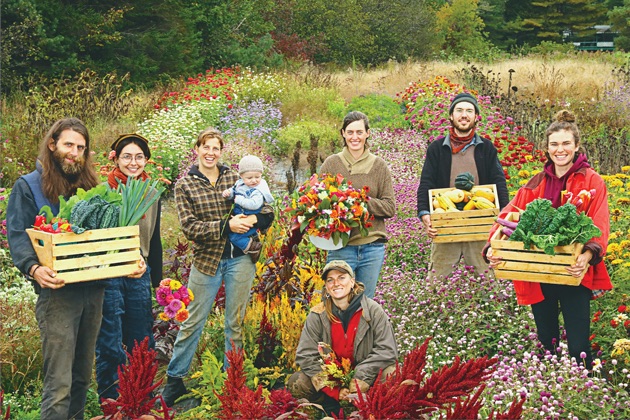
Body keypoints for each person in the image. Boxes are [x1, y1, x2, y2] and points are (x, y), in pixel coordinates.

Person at [6, 118, 146, 419]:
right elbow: (18, 235)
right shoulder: (29, 186)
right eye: (69, 145)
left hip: (94, 290)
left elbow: (108, 237)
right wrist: (33, 268)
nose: (75, 152)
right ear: (52, 144)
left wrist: (130, 259)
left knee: (82, 377)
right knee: (59, 384)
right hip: (58, 296)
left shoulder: (91, 187)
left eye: (81, 147)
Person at [486, 110, 612, 369]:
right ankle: (551, 385)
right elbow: (508, 215)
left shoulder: (592, 181)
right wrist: (492, 247)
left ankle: (584, 384)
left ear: (577, 146)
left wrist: (587, 254)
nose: (560, 149)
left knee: (579, 345)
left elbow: (599, 223)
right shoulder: (536, 182)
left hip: (572, 269)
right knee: (547, 341)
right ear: (547, 148)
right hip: (539, 270)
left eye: (566, 143)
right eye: (554, 144)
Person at [160, 127, 275, 407]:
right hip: (206, 261)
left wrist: (255, 221)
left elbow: (267, 209)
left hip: (240, 259)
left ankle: (231, 378)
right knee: (191, 321)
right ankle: (175, 379)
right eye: (205, 147)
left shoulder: (234, 177)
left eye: (216, 148)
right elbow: (189, 227)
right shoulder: (185, 185)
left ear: (221, 152)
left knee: (234, 323)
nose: (211, 153)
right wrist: (227, 225)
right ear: (197, 149)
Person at [95, 133, 163, 401]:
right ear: (116, 158)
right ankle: (111, 401)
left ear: (146, 160)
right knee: (110, 338)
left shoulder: (151, 192)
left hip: (138, 270)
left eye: (139, 157)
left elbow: (154, 237)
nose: (133, 163)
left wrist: (157, 279)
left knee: (141, 335)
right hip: (109, 271)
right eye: (127, 157)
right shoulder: (104, 190)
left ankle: (140, 397)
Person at [416, 92, 509, 279]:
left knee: (486, 279)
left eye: (469, 111)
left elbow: (499, 182)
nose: (464, 115)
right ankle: (435, 307)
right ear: (451, 116)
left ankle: (489, 306)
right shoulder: (436, 148)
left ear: (476, 117)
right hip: (446, 221)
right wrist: (425, 214)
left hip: (479, 221)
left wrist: (502, 217)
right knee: (437, 279)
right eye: (459, 110)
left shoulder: (487, 148)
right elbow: (426, 182)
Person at [287, 260, 398, 415]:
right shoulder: (317, 315)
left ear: (352, 282)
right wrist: (334, 389)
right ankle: (322, 411)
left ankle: (377, 411)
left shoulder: (373, 311)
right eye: (330, 280)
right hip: (333, 382)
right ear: (326, 287)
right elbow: (305, 355)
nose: (336, 283)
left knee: (392, 375)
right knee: (297, 382)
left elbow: (387, 350)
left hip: (365, 381)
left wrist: (360, 378)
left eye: (341, 278)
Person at [319, 111, 396, 298]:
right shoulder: (331, 164)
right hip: (340, 247)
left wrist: (360, 202)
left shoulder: (379, 166)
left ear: (367, 133)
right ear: (343, 133)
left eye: (359, 132)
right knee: (336, 302)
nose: (355, 137)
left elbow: (389, 207)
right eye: (350, 132)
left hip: (372, 246)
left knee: (363, 303)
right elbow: (318, 202)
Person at [221, 154, 274, 263]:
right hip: (239, 216)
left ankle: (252, 247)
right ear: (241, 176)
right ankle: (251, 242)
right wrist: (229, 193)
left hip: (249, 217)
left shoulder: (258, 190)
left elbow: (254, 204)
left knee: (235, 237)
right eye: (249, 178)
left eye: (257, 177)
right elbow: (234, 190)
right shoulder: (239, 183)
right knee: (232, 233)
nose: (254, 181)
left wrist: (238, 200)